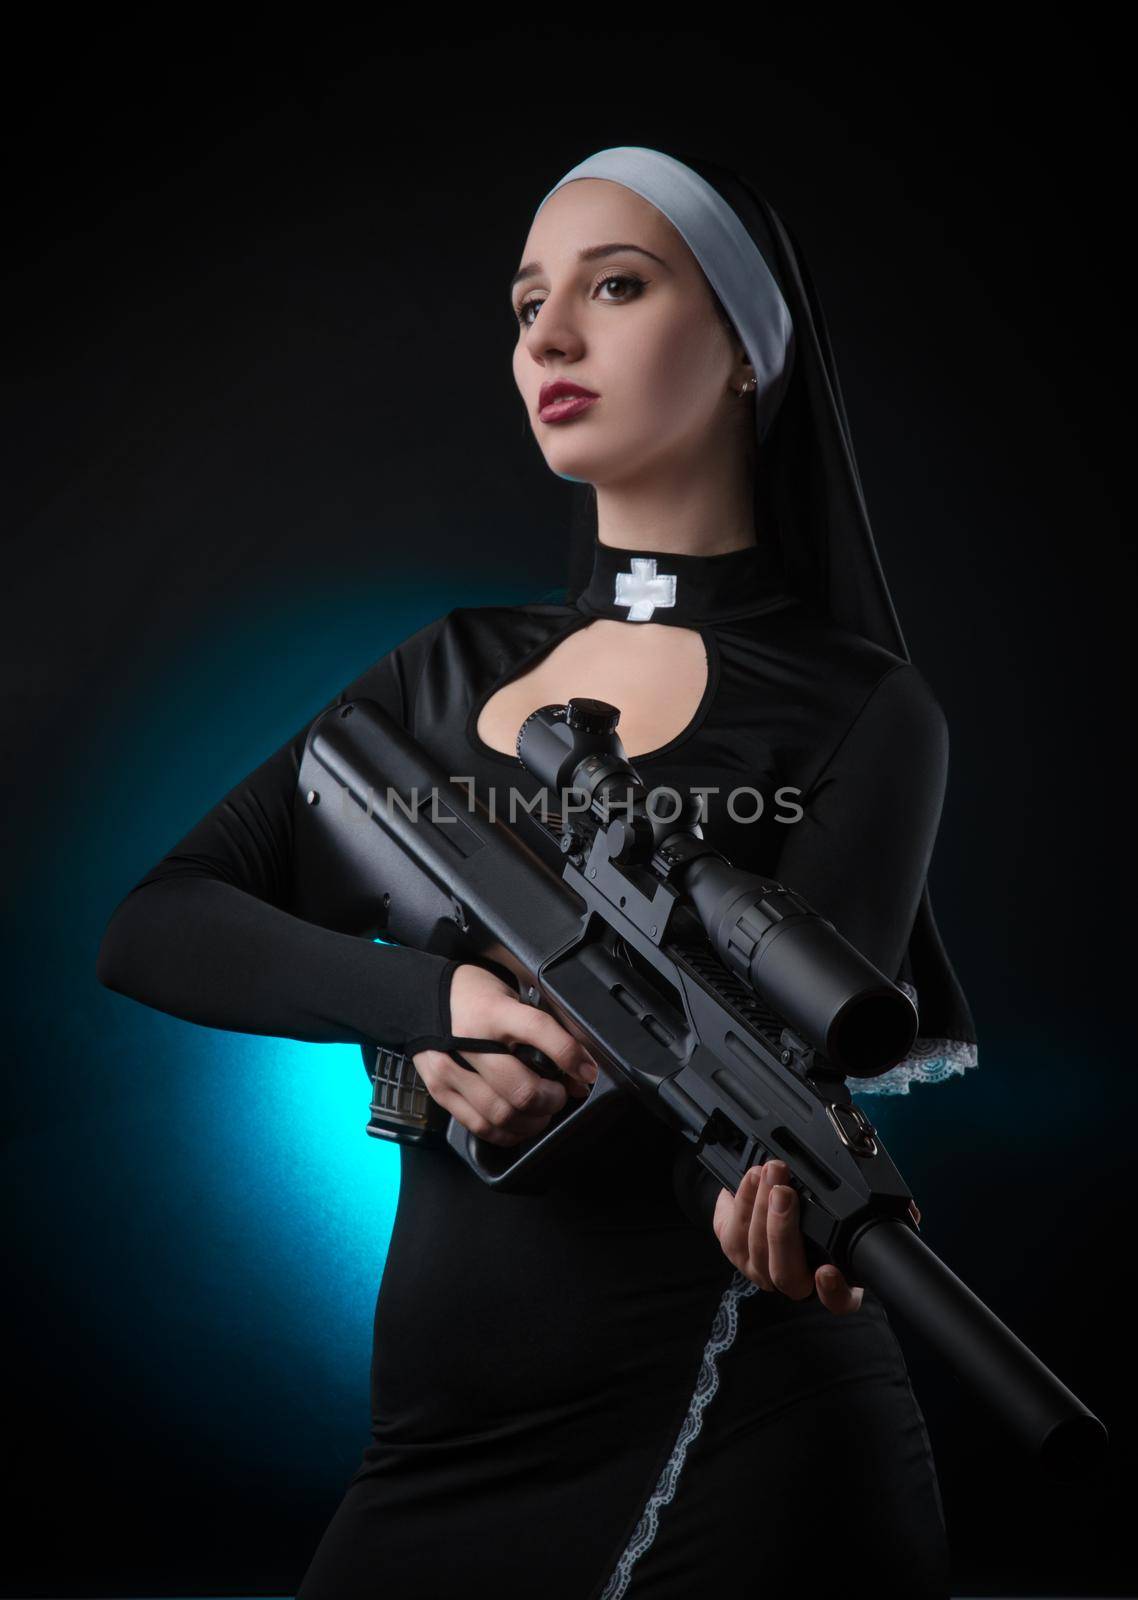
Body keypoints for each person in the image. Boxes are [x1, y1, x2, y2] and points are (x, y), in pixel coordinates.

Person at [96, 146, 980, 1598]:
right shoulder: (444, 669)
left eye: (614, 286)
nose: (547, 339)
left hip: (734, 1433)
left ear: (748, 352)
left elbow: (763, 1081)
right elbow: (154, 926)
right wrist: (426, 1005)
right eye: (525, 305)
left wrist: (735, 1181)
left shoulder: (860, 711)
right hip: (435, 1456)